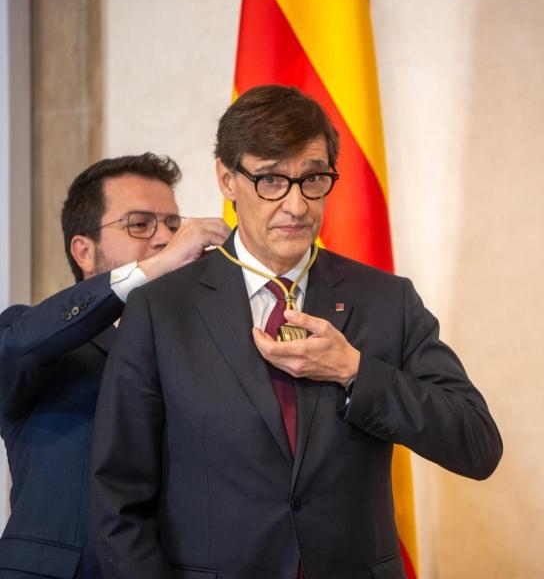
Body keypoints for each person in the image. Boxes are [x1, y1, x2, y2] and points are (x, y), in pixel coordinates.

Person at [91, 85, 502, 579]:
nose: (297, 205)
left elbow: (477, 445)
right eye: (270, 180)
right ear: (227, 178)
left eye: (313, 179)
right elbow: (119, 499)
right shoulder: (161, 310)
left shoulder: (386, 301)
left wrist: (354, 371)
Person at [0, 153, 229, 579]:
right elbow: (18, 349)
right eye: (140, 225)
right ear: (84, 251)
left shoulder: (197, 343)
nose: (165, 239)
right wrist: (153, 268)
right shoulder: (33, 334)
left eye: (174, 226)